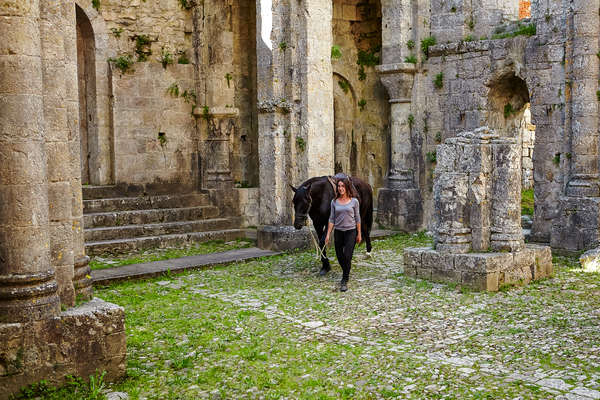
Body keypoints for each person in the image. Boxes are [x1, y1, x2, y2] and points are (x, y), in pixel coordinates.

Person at [324, 177, 361, 292]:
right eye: (339, 186)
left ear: (347, 187)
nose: (340, 188)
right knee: (340, 257)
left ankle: (344, 279)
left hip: (351, 231)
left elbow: (358, 218)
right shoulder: (334, 202)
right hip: (339, 232)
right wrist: (328, 235)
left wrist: (359, 233)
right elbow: (331, 219)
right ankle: (346, 270)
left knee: (347, 256)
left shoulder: (354, 201)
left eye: (342, 186)